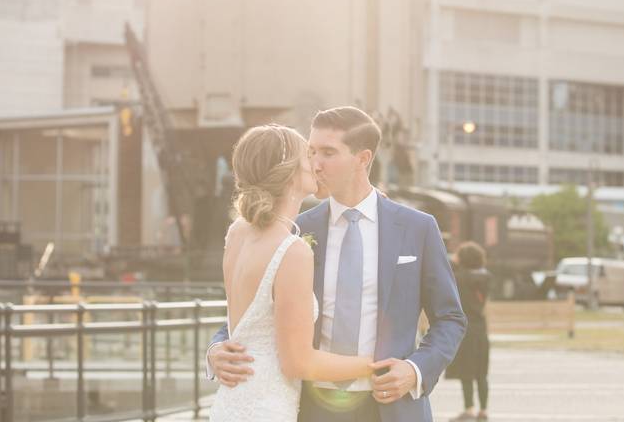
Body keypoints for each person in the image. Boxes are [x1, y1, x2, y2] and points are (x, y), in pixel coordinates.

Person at [207, 107, 467, 422]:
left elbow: (450, 318)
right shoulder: (293, 232)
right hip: (310, 408)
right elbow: (259, 311)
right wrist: (218, 349)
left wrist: (415, 370)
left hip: (393, 406)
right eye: (311, 151)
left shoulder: (418, 228)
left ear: (363, 158)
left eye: (328, 153)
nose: (316, 164)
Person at [208, 124, 374, 421]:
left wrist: (214, 351)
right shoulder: (292, 251)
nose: (315, 163)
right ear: (289, 172)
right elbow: (298, 363)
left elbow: (246, 321)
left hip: (230, 404)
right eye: (308, 155)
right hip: (266, 408)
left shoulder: (237, 233)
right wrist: (374, 365)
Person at [446, 242, 491, 420]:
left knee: (466, 371)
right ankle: (484, 410)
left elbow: (446, 267)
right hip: (481, 328)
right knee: (482, 372)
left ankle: (469, 408)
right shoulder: (487, 278)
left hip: (465, 329)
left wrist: (455, 260)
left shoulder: (459, 278)